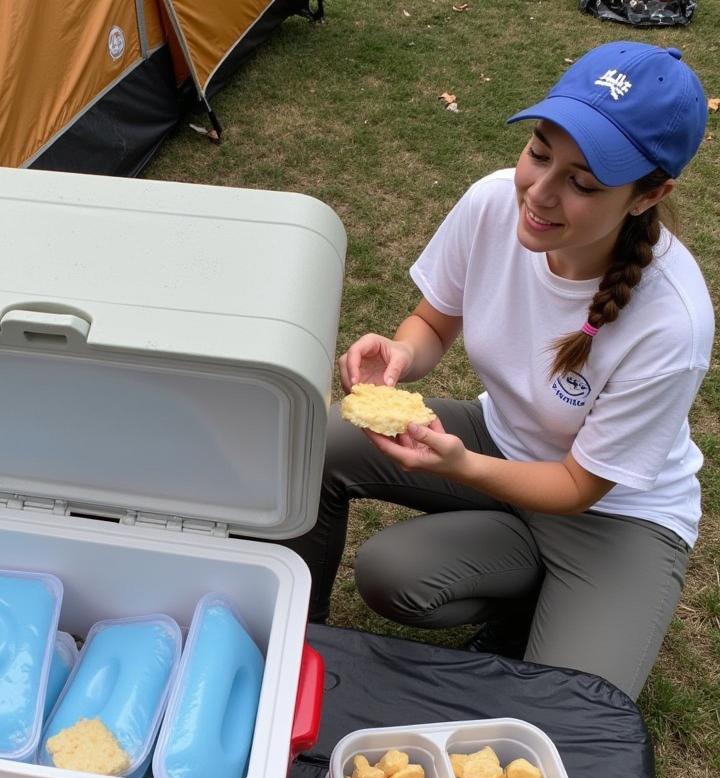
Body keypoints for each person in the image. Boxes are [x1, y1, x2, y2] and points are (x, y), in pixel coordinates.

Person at [289, 41, 712, 699]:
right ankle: (289, 639)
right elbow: (433, 323)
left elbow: (577, 487)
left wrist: (460, 466)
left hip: (615, 517)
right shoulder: (492, 203)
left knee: (571, 710)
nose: (538, 194)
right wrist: (402, 355)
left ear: (649, 194)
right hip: (503, 447)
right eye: (540, 153)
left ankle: (555, 599)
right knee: (332, 472)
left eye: (582, 182)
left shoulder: (673, 319)